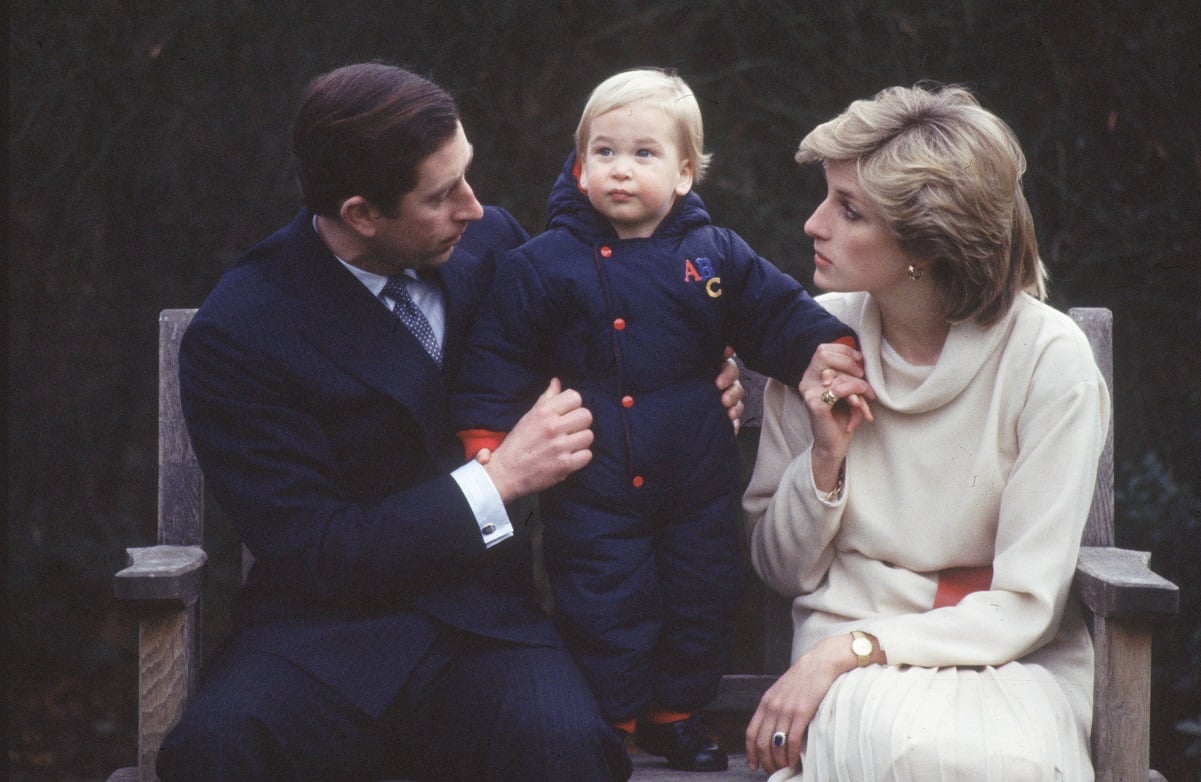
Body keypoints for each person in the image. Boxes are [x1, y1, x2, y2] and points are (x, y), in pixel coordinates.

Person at [159, 62, 746, 781]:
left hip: (485, 627)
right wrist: (495, 483)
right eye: (442, 195)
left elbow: (609, 327)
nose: (474, 207)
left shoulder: (494, 244)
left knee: (572, 752)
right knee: (210, 756)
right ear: (361, 214)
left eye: (467, 175)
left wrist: (690, 379)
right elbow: (313, 549)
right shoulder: (244, 327)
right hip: (319, 638)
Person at [451, 67, 857, 773]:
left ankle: (674, 716)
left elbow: (774, 313)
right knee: (603, 599)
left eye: (644, 154)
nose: (619, 169)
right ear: (579, 169)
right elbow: (498, 352)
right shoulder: (543, 265)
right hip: (594, 484)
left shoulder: (713, 256)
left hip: (696, 478)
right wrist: (486, 439)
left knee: (700, 595)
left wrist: (824, 351)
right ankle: (605, 720)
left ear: (683, 174)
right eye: (603, 152)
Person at [741, 83, 1110, 781]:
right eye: (826, 198)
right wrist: (824, 458)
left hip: (1006, 660)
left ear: (925, 244)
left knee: (1013, 766)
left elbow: (1026, 604)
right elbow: (780, 568)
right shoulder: (815, 341)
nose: (812, 225)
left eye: (847, 210)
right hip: (852, 664)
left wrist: (846, 649)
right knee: (910, 755)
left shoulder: (1047, 360)